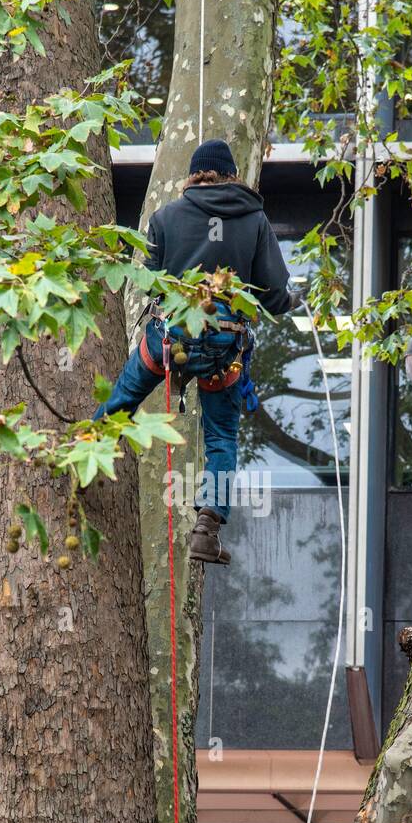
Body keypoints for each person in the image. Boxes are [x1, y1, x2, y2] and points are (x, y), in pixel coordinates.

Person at [95, 139, 296, 565]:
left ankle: (84, 458)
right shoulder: (254, 219)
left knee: (123, 399)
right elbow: (275, 294)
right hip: (225, 349)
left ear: (193, 174)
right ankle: (206, 527)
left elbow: (149, 283)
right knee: (221, 437)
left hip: (172, 339)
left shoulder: (167, 216)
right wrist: (294, 301)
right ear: (231, 174)